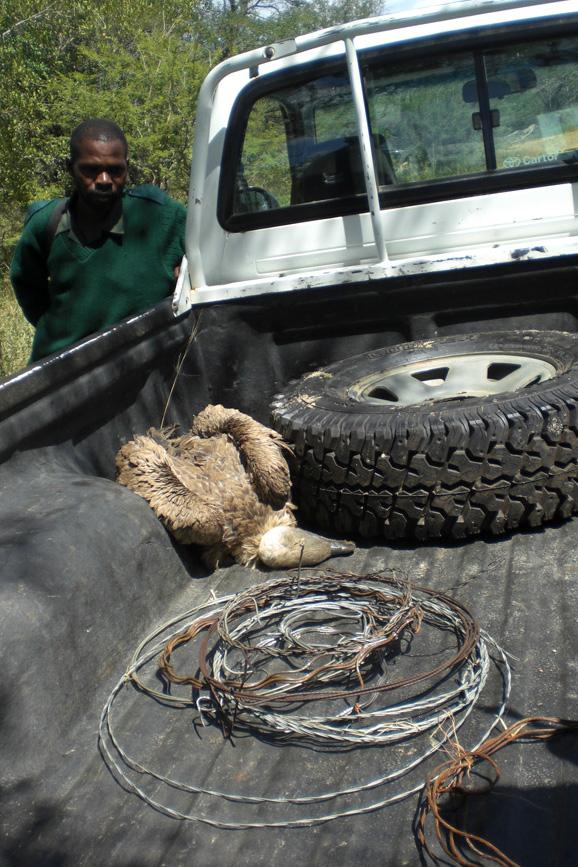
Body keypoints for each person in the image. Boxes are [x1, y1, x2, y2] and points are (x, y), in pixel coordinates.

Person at [10, 119, 187, 363]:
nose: (104, 180)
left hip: (139, 373)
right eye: (91, 169)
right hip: (57, 374)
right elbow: (26, 285)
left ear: (127, 166)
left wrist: (186, 271)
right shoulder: (46, 224)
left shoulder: (159, 216)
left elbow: (210, 252)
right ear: (71, 167)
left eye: (115, 170)